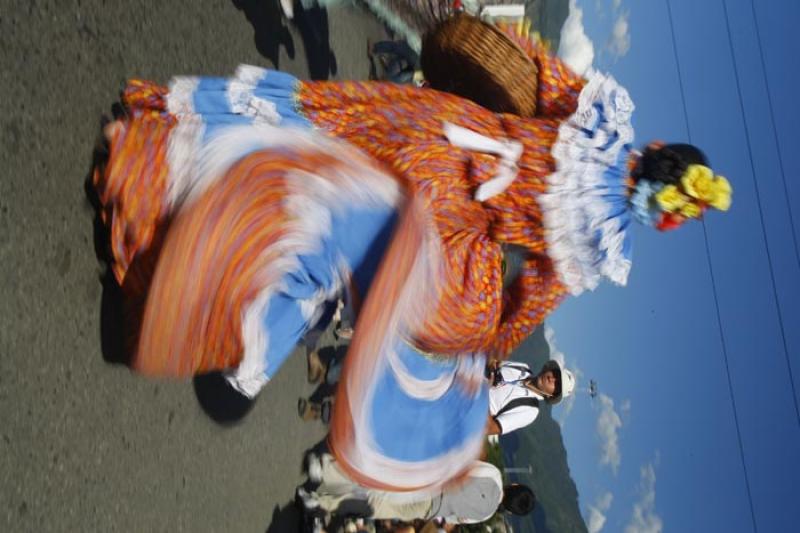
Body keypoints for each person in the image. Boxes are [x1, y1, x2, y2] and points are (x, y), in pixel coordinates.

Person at [92, 25, 731, 490]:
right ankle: (247, 339)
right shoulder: (602, 234)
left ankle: (164, 174)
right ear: (668, 212)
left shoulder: (602, 124)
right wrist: (487, 346)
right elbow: (532, 298)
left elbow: (530, 66)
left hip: (434, 125)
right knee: (358, 243)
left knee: (320, 134)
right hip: (449, 214)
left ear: (655, 150)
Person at [296, 453, 534, 527]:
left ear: (514, 486)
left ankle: (325, 471)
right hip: (429, 508)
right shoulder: (486, 515)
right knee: (375, 506)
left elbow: (462, 467)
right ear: (509, 510)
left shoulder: (493, 475)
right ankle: (318, 504)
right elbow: (454, 518)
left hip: (432, 481)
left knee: (378, 476)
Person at [486, 359, 575, 435]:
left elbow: (489, 428)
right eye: (555, 374)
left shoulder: (530, 410)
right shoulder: (523, 368)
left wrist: (483, 395)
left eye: (557, 384)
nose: (551, 379)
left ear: (553, 395)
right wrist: (491, 367)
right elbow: (493, 362)